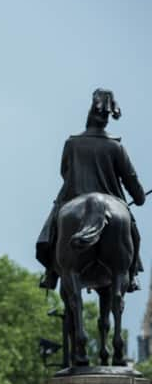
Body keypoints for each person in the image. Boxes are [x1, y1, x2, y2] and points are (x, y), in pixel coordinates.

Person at [36, 89, 145, 292]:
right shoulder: (116, 147)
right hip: (114, 203)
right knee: (133, 233)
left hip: (73, 197)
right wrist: (138, 197)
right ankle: (131, 273)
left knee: (50, 231)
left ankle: (50, 273)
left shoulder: (72, 143)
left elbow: (65, 174)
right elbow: (134, 188)